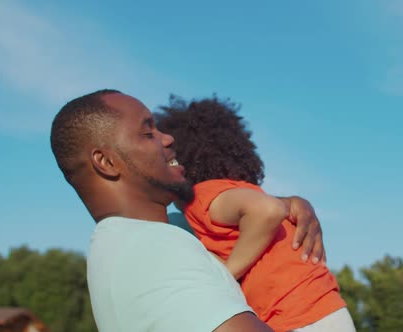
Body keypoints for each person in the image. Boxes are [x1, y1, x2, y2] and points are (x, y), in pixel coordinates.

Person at [50, 89, 326, 332]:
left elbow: (247, 214)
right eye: (148, 133)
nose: (168, 138)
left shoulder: (142, 238)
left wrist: (290, 203)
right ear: (106, 162)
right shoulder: (150, 247)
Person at [156, 97, 356, 332]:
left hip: (301, 317)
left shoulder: (202, 196)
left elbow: (268, 211)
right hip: (320, 310)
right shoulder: (236, 193)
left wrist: (226, 277)